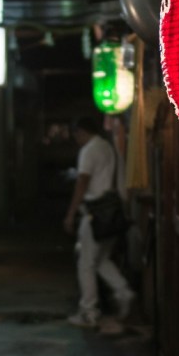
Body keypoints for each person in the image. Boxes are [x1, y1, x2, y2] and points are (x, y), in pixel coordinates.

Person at [63, 115, 135, 329]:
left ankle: (88, 311)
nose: (76, 140)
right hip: (114, 212)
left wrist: (70, 213)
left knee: (85, 262)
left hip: (95, 213)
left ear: (81, 132)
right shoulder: (111, 148)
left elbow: (82, 182)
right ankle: (124, 292)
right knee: (101, 259)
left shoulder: (88, 151)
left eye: (75, 135)